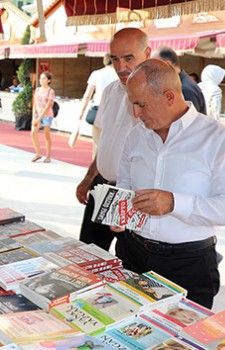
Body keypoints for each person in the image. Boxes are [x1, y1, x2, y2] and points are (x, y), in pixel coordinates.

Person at [115, 59, 225, 308]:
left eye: (140, 104)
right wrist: (119, 212)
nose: (136, 113)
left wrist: (174, 203)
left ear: (168, 97)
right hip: (132, 252)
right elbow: (125, 182)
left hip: (188, 262)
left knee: (178, 342)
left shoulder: (220, 139)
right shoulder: (135, 136)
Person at [75, 28, 150, 251]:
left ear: (147, 52)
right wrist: (89, 177)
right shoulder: (110, 90)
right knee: (88, 254)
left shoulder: (156, 95)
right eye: (115, 59)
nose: (120, 67)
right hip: (103, 186)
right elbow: (106, 142)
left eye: (129, 58)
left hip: (132, 193)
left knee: (128, 261)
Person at [77, 53, 119, 158]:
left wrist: (81, 112)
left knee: (96, 143)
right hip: (115, 112)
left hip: (98, 110)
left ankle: (95, 170)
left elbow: (87, 95)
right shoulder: (119, 74)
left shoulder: (96, 74)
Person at [151, 46, 206, 114]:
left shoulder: (185, 89)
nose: (152, 71)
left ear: (168, 64)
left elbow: (188, 121)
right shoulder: (177, 84)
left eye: (155, 66)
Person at [30, 71, 55, 163]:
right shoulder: (37, 90)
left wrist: (39, 118)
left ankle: (48, 156)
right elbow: (35, 104)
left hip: (47, 115)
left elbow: (48, 106)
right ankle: (38, 153)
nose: (41, 80)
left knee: (46, 135)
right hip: (37, 114)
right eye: (41, 78)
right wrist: (34, 117)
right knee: (33, 133)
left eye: (44, 78)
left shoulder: (50, 91)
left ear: (48, 80)